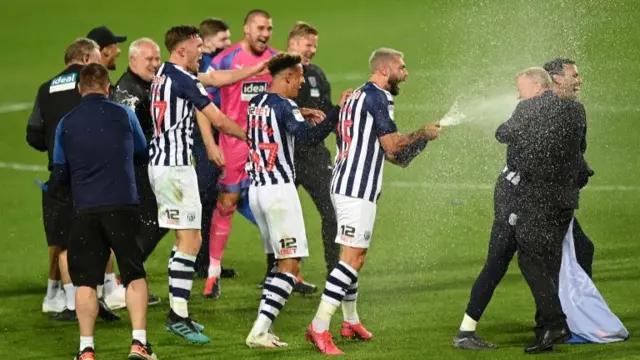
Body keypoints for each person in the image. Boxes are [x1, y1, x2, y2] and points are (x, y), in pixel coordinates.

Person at [305, 48, 441, 355]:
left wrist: (421, 141)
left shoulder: (353, 96)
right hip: (356, 188)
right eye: (401, 68)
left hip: (345, 182)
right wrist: (422, 133)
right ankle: (319, 326)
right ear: (384, 69)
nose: (406, 74)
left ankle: (349, 321)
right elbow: (393, 147)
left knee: (352, 257)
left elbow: (392, 154)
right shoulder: (378, 98)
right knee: (352, 260)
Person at [49, 63, 156, 360]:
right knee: (134, 273)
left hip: (85, 209)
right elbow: (141, 151)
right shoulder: (124, 114)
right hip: (122, 205)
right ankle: (139, 343)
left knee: (86, 281)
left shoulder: (66, 123)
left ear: (80, 89)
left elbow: (59, 171)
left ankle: (86, 349)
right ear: (108, 87)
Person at [148, 24, 247, 344]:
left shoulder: (163, 73)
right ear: (181, 50)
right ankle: (177, 315)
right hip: (174, 170)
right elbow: (218, 120)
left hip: (165, 165)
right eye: (197, 46)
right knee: (190, 240)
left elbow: (212, 79)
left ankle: (180, 311)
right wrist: (252, 137)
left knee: (187, 240)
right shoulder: (184, 79)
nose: (202, 51)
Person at [244, 52, 347, 348]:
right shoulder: (286, 105)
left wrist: (300, 112)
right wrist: (335, 112)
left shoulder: (256, 104)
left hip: (257, 192)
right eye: (299, 77)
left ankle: (264, 328)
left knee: (278, 263)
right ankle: (260, 330)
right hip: (279, 192)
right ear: (287, 76)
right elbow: (307, 139)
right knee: (291, 265)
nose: (301, 83)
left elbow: (276, 118)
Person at [495, 67, 585, 353]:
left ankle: (556, 323)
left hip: (538, 197)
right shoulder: (576, 110)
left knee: (530, 261)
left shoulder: (528, 107)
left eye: (520, 88)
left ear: (535, 87)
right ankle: (544, 327)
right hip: (566, 199)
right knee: (550, 262)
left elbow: (503, 134)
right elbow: (580, 148)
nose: (518, 94)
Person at [25, 38, 116, 321]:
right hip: (94, 173)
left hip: (60, 175)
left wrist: (53, 146)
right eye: (98, 57)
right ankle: (99, 297)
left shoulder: (46, 87)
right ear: (87, 59)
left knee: (65, 241)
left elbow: (33, 135)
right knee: (101, 236)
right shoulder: (93, 83)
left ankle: (72, 302)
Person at [111, 38, 165, 309]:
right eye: (149, 60)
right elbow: (124, 137)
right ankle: (122, 281)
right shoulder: (128, 92)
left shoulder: (147, 84)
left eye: (157, 59)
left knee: (157, 221)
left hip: (147, 165)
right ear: (133, 61)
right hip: (135, 168)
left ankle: (122, 280)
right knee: (154, 221)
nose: (156, 64)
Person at [284, 21, 340, 277]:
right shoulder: (278, 74)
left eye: (315, 46)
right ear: (294, 43)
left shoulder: (316, 74)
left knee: (332, 212)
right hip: (286, 156)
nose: (313, 50)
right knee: (283, 217)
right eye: (309, 45)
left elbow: (327, 108)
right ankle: (280, 273)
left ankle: (334, 271)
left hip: (316, 156)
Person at [543, 58, 594, 277]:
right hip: (545, 201)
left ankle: (564, 308)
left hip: (544, 197)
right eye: (574, 76)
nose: (579, 81)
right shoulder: (572, 111)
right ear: (556, 79)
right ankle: (569, 309)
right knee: (580, 251)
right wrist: (581, 171)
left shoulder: (530, 109)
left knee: (579, 251)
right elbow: (576, 150)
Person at [194, 17, 235, 280]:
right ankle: (199, 260)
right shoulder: (206, 68)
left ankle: (205, 262)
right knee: (206, 198)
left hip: (217, 139)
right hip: (204, 140)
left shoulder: (216, 63)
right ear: (207, 41)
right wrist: (210, 144)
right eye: (223, 39)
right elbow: (205, 110)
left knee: (211, 200)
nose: (228, 44)